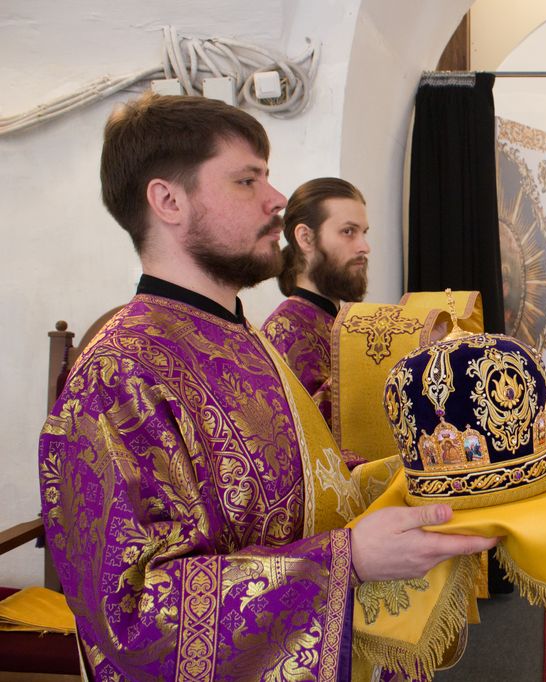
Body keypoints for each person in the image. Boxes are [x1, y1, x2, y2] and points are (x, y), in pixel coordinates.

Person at [37, 93, 497, 680]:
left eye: (268, 176)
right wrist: (345, 561)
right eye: (246, 179)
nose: (277, 199)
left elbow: (303, 484)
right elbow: (131, 616)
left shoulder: (242, 336)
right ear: (168, 200)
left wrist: (417, 474)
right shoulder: (117, 373)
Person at [261, 177, 369, 421]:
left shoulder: (347, 323)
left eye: (364, 233)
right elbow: (299, 433)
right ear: (306, 238)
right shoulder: (283, 331)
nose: (364, 246)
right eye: (348, 232)